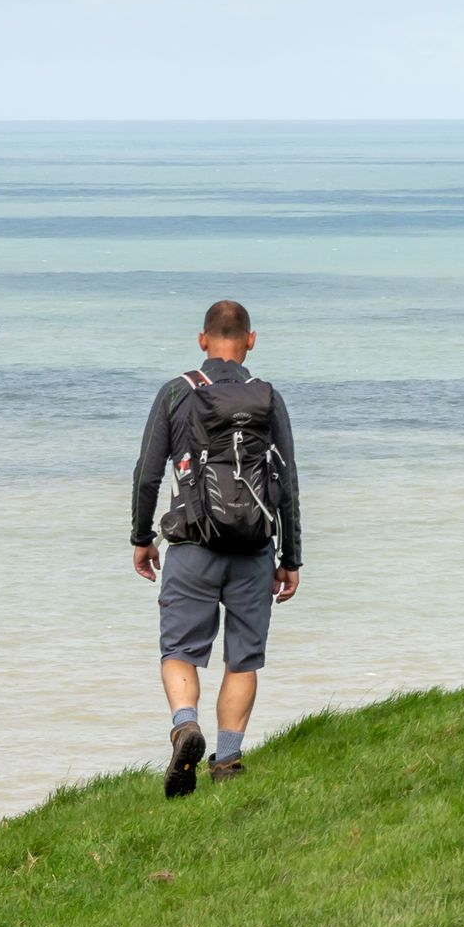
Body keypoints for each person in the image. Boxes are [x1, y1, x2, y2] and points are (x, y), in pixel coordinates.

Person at [132, 299, 302, 796]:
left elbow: (147, 474)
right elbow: (287, 484)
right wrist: (290, 557)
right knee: (242, 659)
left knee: (179, 650)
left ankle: (186, 724)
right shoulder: (268, 398)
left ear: (202, 340)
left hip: (191, 543)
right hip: (253, 548)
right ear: (251, 341)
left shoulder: (175, 393)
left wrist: (142, 538)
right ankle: (226, 760)